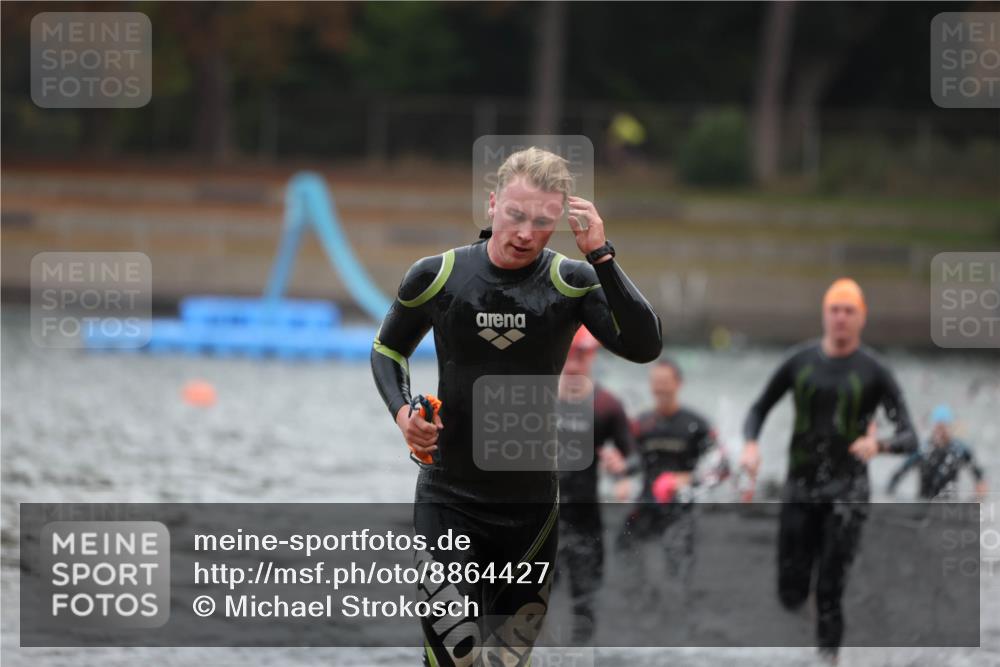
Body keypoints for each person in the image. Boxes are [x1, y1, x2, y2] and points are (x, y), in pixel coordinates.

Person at [370, 146, 662, 666]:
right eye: (516, 214)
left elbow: (644, 346)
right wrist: (401, 415)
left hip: (530, 510)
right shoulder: (438, 277)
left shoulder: (571, 283)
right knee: (454, 656)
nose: (526, 232)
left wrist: (602, 255)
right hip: (449, 497)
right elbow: (388, 349)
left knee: (506, 662)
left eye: (544, 221)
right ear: (492, 205)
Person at [739, 278, 917, 664]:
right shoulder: (799, 361)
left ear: (861, 317)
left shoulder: (875, 371)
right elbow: (757, 409)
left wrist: (879, 444)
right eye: (834, 309)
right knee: (790, 592)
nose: (840, 317)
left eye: (848, 311)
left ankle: (827, 658)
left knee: (831, 589)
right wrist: (751, 445)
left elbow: (910, 437)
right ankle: (810, 612)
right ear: (824, 314)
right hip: (800, 489)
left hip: (847, 494)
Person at [615, 358, 728, 593]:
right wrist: (621, 478)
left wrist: (683, 479)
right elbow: (629, 463)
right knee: (623, 548)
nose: (660, 388)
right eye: (656, 383)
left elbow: (722, 468)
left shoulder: (697, 424)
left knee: (678, 573)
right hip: (647, 504)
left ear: (679, 384)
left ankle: (679, 604)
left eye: (666, 382)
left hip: (680, 509)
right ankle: (642, 597)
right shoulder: (641, 424)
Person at [554, 326, 634, 644]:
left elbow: (634, 455)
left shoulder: (607, 406)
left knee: (585, 607)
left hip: (585, 521)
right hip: (539, 519)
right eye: (569, 355)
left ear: (592, 357)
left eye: (581, 356)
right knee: (522, 603)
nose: (573, 365)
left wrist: (622, 468)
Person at [888, 404, 988, 501]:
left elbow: (979, 477)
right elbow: (898, 474)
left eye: (944, 427)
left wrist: (977, 496)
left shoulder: (959, 450)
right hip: (924, 504)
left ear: (950, 427)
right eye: (938, 427)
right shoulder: (923, 450)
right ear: (933, 427)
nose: (941, 431)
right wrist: (891, 496)